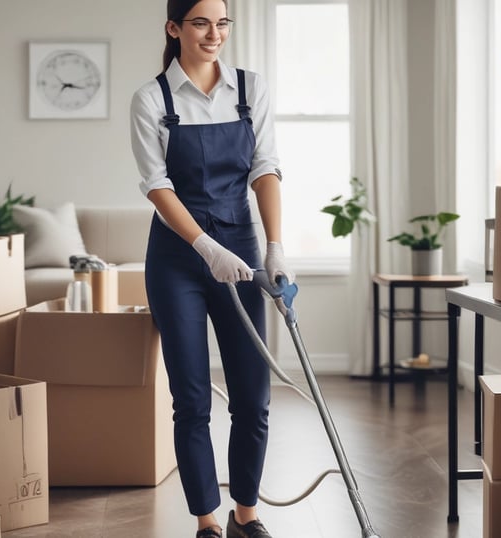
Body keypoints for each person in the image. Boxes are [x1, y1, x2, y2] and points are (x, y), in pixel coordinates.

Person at [130, 0, 293, 536]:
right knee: (193, 398)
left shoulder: (251, 89)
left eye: (222, 22)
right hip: (178, 259)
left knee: (253, 394)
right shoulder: (151, 98)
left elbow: (265, 167)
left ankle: (246, 516)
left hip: (243, 252)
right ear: (174, 28)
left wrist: (273, 246)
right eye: (201, 22)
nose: (214, 34)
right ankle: (206, 523)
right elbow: (158, 185)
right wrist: (205, 247)